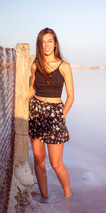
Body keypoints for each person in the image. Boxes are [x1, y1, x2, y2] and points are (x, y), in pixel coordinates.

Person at [28, 27, 74, 198]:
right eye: (42, 42)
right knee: (39, 160)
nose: (46, 45)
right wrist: (16, 101)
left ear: (55, 44)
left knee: (56, 163)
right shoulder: (35, 66)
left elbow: (70, 96)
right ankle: (44, 198)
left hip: (55, 114)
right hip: (36, 113)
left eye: (49, 41)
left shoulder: (64, 66)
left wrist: (62, 115)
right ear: (39, 45)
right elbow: (31, 90)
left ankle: (69, 196)